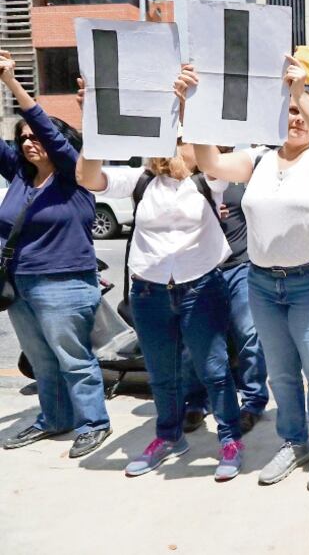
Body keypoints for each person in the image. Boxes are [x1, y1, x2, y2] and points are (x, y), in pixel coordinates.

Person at [190, 57, 309, 492]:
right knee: (280, 371)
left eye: (303, 110)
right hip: (264, 282)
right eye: (290, 110)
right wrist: (194, 107)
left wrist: (302, 95)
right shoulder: (257, 158)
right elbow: (211, 163)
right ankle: (293, 441)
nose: (296, 117)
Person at [76, 89, 243, 481]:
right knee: (162, 373)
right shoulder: (139, 181)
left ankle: (230, 438)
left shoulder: (208, 182)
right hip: (149, 292)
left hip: (200, 287)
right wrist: (94, 126)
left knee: (214, 368)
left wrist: (190, 106)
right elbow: (87, 177)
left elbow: (210, 157)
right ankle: (168, 436)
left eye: (179, 140)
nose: (171, 149)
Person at [0, 51, 111, 458]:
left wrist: (12, 83)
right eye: (23, 138)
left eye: (36, 137)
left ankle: (93, 422)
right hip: (20, 285)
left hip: (64, 282)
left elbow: (47, 130)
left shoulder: (74, 175)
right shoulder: (19, 176)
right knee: (43, 361)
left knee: (74, 360)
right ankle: (54, 418)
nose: (29, 142)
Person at [180, 157, 269, 436]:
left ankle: (253, 401)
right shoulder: (187, 184)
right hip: (200, 271)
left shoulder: (241, 174)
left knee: (249, 334)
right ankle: (196, 401)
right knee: (194, 343)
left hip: (241, 266)